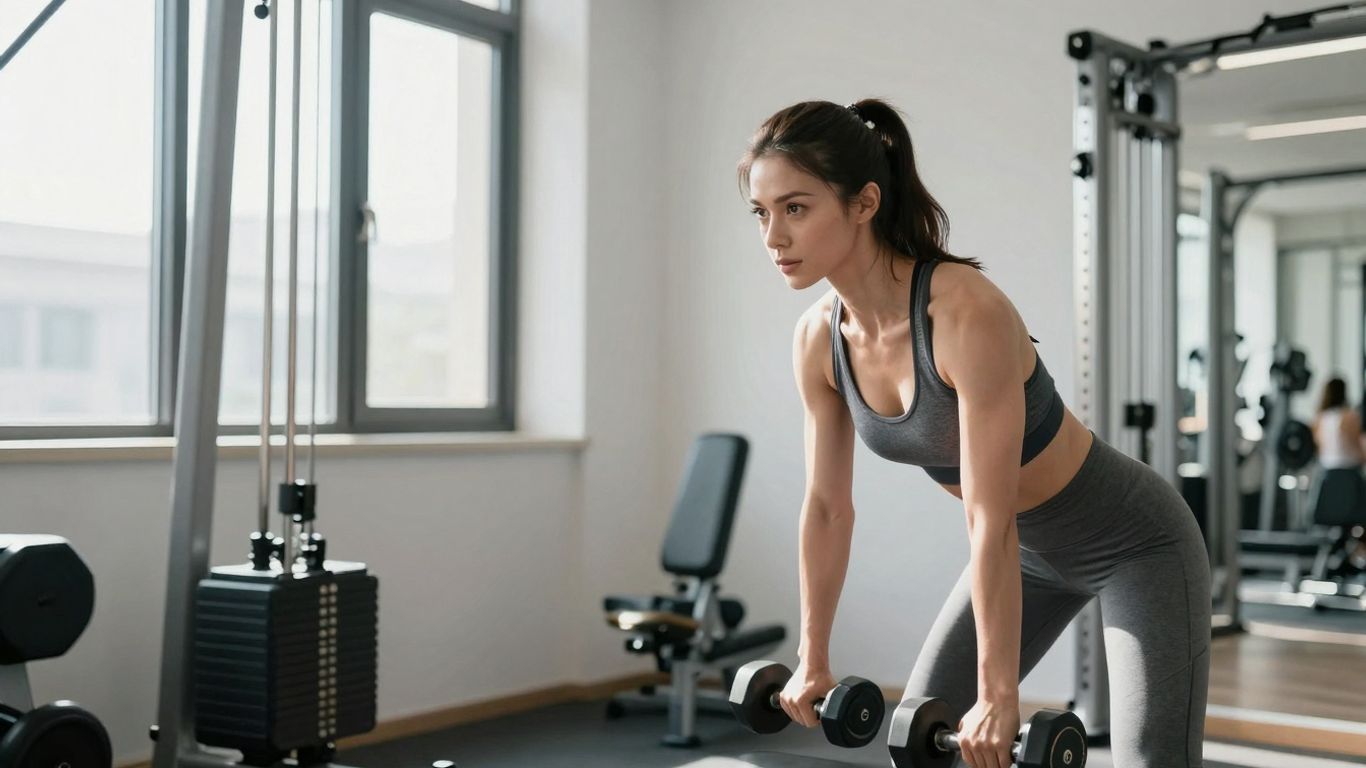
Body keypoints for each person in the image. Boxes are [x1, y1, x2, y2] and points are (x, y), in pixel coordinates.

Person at [737, 99, 1211, 768]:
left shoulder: (964, 313)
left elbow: (989, 518)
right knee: (918, 743)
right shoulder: (818, 340)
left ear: (864, 202)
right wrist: (812, 658)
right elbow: (826, 508)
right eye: (761, 212)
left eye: (796, 208)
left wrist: (999, 694)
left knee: (1150, 760)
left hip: (1136, 543)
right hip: (1028, 555)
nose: (773, 237)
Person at [1311, 376, 1365, 470]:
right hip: (1348, 468)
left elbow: (1317, 446)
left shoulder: (1320, 418)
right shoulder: (1350, 416)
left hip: (1326, 468)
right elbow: (1356, 444)